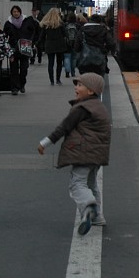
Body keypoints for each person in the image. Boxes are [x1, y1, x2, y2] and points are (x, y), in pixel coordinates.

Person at [36, 72, 111, 234]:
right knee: (91, 184)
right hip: (97, 154)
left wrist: (45, 142)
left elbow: (64, 127)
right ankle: (98, 217)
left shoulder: (82, 108)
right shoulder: (100, 107)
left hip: (83, 152)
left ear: (91, 91)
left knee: (77, 183)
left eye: (80, 85)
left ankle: (89, 207)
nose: (76, 88)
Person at [3, 5, 38, 94]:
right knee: (14, 69)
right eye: (14, 12)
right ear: (11, 13)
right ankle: (14, 88)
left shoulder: (27, 21)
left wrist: (31, 42)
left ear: (20, 12)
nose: (16, 13)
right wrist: (6, 48)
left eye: (17, 11)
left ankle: (22, 84)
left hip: (25, 47)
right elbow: (4, 36)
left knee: (24, 69)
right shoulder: (8, 23)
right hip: (13, 48)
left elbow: (34, 31)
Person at [38, 8, 69, 86]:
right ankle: (58, 79)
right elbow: (65, 34)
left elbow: (42, 36)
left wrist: (37, 44)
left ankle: (51, 81)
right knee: (59, 63)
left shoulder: (46, 25)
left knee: (50, 63)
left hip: (49, 44)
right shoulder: (61, 24)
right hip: (60, 44)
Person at [62, 13, 79, 79]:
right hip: (75, 44)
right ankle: (73, 72)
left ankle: (67, 72)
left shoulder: (65, 25)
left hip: (67, 44)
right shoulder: (77, 25)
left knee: (67, 57)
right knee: (74, 58)